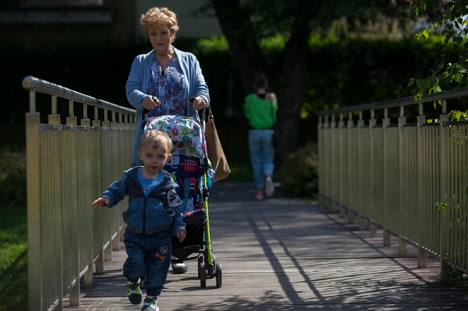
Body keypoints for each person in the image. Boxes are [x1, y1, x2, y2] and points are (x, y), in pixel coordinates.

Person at [126, 6, 210, 274]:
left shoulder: (189, 60)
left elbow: (202, 88)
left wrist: (200, 100)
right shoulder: (141, 61)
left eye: (163, 33)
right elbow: (131, 89)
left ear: (173, 33)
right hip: (152, 138)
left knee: (181, 193)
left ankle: (178, 251)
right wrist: (142, 99)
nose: (158, 38)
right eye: (153, 33)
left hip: (184, 140)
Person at [92, 130, 186, 311]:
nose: (154, 161)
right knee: (135, 262)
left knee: (159, 266)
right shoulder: (132, 177)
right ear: (140, 155)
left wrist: (179, 225)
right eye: (149, 156)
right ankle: (132, 281)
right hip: (135, 233)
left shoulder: (168, 184)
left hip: (161, 235)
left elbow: (175, 208)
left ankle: (151, 299)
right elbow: (117, 190)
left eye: (160, 157)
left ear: (167, 158)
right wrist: (107, 198)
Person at [243, 72, 278, 200]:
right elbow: (274, 112)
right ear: (266, 84)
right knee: (268, 158)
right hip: (269, 132)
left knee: (256, 161)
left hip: (254, 132)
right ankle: (268, 176)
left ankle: (259, 190)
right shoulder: (272, 97)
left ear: (254, 85)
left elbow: (247, 114)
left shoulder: (250, 99)